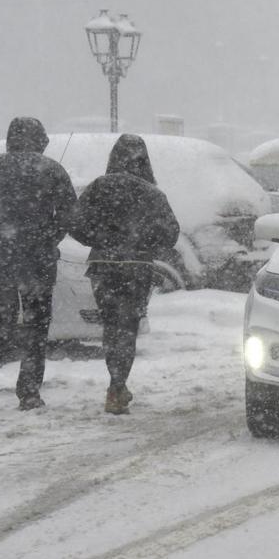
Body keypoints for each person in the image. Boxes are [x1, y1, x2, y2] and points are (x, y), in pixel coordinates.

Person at [0, 117, 76, 409]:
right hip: (38, 261)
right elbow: (68, 213)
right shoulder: (51, 170)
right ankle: (29, 391)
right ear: (40, 140)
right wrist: (50, 237)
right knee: (37, 328)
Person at [68, 134, 179, 414]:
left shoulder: (97, 188)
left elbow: (75, 224)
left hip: (103, 266)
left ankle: (116, 383)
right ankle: (117, 385)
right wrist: (142, 241)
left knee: (111, 327)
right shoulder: (152, 193)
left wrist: (102, 238)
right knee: (127, 328)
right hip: (137, 267)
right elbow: (171, 234)